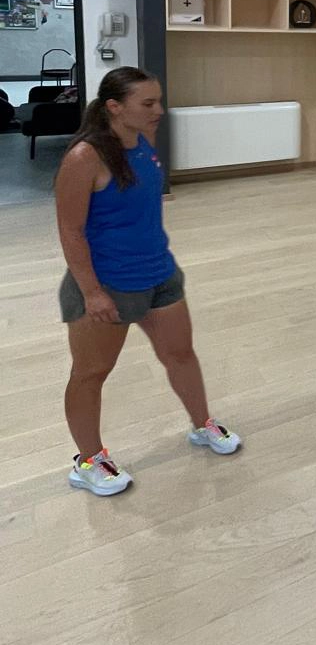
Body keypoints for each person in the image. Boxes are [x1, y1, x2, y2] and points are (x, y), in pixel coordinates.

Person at [54, 66, 241, 496]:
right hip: (108, 284)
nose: (159, 110)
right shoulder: (84, 157)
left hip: (160, 275)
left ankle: (203, 424)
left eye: (159, 101)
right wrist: (92, 293)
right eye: (148, 103)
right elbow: (70, 231)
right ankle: (88, 461)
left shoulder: (142, 140)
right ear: (115, 107)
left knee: (181, 355)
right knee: (91, 373)